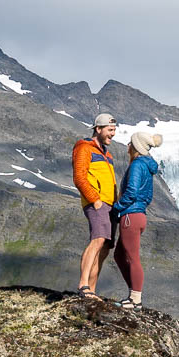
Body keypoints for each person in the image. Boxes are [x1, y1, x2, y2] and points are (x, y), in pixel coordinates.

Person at [113, 131, 163, 309]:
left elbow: (132, 192)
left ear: (136, 147)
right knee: (119, 255)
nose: (127, 146)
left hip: (130, 216)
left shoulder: (137, 165)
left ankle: (136, 299)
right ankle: (133, 295)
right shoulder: (147, 167)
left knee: (133, 258)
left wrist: (117, 208)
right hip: (139, 215)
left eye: (130, 143)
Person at [72, 113, 118, 298]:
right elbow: (79, 177)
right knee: (98, 239)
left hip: (110, 205)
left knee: (105, 247)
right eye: (109, 130)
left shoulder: (107, 154)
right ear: (98, 129)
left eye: (114, 130)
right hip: (97, 203)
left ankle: (91, 289)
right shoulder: (84, 149)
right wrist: (95, 199)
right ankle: (83, 285)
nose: (113, 134)